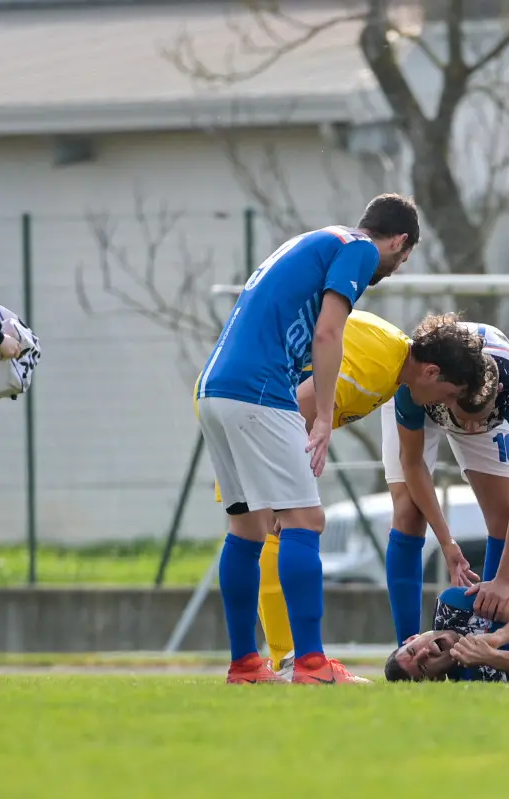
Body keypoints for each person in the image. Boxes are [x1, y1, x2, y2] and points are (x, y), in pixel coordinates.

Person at [195, 194, 423, 685]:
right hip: (259, 390)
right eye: (403, 260)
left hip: (213, 387)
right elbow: (328, 334)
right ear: (400, 242)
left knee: (247, 527)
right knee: (305, 519)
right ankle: (313, 665)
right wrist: (322, 416)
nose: (396, 269)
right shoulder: (360, 249)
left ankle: (245, 664)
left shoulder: (316, 239)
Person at [243, 310, 494, 679]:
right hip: (253, 405)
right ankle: (294, 663)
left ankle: (265, 662)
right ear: (431, 373)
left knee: (258, 532)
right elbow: (297, 406)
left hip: (242, 396)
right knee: (290, 525)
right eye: (450, 393)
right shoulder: (379, 370)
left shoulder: (391, 361)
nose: (445, 404)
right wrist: (282, 486)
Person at [380, 322, 509, 644]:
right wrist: (447, 543)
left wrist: (504, 581)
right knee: (409, 513)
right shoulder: (416, 380)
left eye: (479, 420)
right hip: (428, 398)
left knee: (504, 515)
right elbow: (412, 464)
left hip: (467, 397)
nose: (468, 429)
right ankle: (407, 651)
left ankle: (495, 647)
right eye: (463, 418)